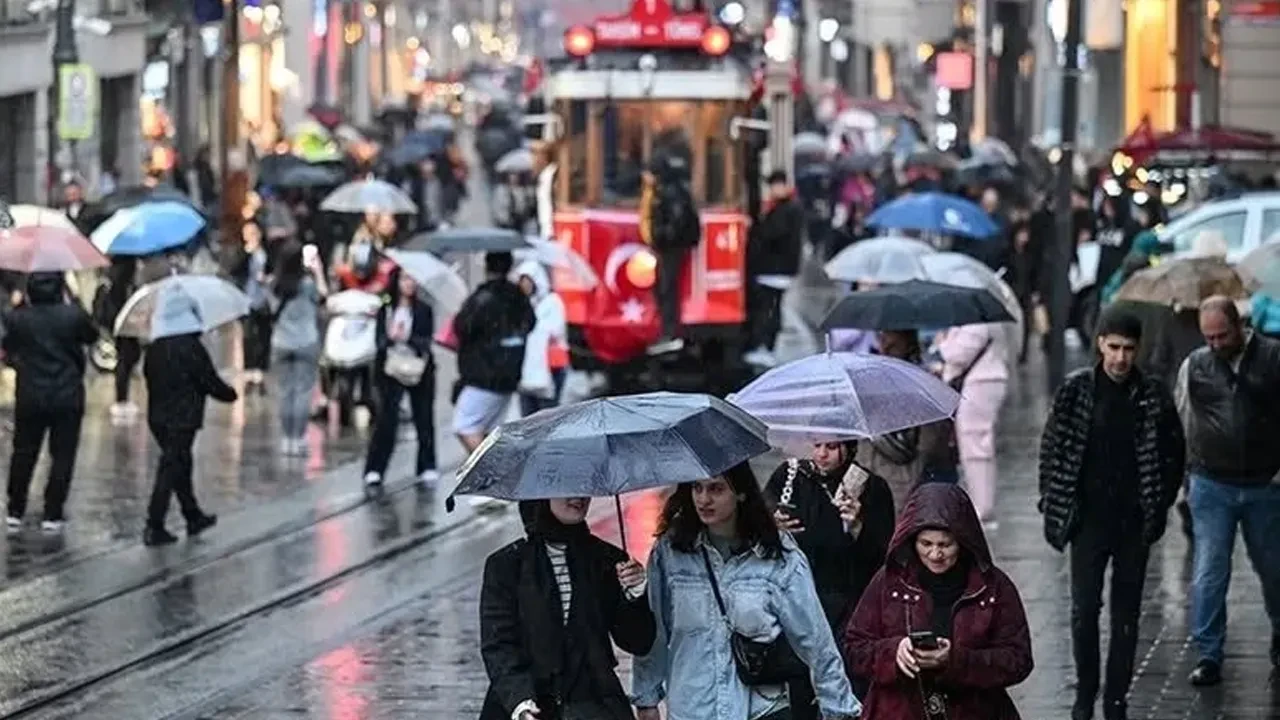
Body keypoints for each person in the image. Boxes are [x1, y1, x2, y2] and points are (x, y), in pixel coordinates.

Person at [1037, 309, 1185, 720]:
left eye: (1129, 349)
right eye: (1114, 347)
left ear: (1138, 350)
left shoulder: (1153, 394)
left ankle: (1116, 697)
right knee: (1084, 611)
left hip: (1133, 521)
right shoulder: (1076, 391)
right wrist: (1052, 498)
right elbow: (1052, 447)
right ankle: (1086, 692)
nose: (1121, 358)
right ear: (1100, 343)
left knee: (1127, 614)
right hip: (1088, 519)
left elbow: (1174, 453)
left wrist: (1159, 501)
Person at [633, 463, 861, 720]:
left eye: (716, 489)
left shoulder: (778, 556)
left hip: (761, 708)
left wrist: (839, 708)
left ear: (740, 493)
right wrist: (646, 698)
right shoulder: (670, 553)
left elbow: (815, 639)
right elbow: (655, 633)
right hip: (693, 707)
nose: (703, 499)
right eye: (696, 488)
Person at [842, 483, 1034, 720]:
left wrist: (956, 660)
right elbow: (854, 648)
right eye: (926, 544)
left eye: (945, 545)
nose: (935, 554)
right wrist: (894, 652)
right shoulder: (887, 582)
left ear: (962, 542)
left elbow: (1018, 659)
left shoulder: (993, 587)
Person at [1175, 296, 1280, 686]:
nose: (1215, 344)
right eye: (1209, 337)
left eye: (1222, 336)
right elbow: (1183, 418)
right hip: (1212, 482)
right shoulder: (1196, 366)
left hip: (1264, 482)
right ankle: (1208, 652)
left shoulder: (1273, 358)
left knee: (1273, 570)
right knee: (1209, 571)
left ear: (1239, 327)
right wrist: (1186, 477)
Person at [479, 499, 655, 720]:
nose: (579, 497)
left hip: (594, 707)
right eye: (565, 489)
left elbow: (638, 642)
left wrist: (635, 594)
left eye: (584, 487)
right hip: (529, 707)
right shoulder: (507, 565)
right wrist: (520, 703)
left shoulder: (606, 559)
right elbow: (498, 645)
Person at [766, 441, 896, 710]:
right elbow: (759, 535)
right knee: (799, 689)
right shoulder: (789, 478)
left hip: (848, 606)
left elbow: (884, 557)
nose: (822, 454)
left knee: (847, 690)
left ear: (848, 448)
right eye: (816, 445)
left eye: (832, 446)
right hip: (798, 602)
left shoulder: (872, 488)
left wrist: (859, 526)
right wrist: (770, 525)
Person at [3, 273, 97, 533]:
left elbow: (8, 345)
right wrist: (76, 301)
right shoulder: (72, 315)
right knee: (62, 456)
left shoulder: (18, 318)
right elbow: (92, 335)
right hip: (67, 396)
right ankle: (52, 513)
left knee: (24, 452)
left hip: (31, 395)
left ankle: (15, 509)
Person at [142, 297, 238, 546]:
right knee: (172, 465)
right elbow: (207, 379)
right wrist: (229, 394)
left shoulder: (155, 348)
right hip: (183, 418)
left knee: (179, 463)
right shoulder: (190, 346)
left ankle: (192, 514)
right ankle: (154, 523)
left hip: (158, 417)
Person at [856, 330, 960, 509]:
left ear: (907, 340)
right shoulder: (870, 378)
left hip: (912, 473)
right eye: (881, 335)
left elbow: (932, 443)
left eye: (889, 335)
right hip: (885, 469)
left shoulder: (925, 382)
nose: (884, 340)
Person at [452, 252, 536, 453]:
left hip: (482, 374)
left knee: (465, 426)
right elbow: (531, 323)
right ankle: (491, 475)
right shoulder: (518, 297)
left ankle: (491, 472)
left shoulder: (483, 298)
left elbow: (463, 327)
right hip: (509, 372)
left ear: (487, 267)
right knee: (488, 429)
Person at [362, 270, 438, 489]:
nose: (410, 284)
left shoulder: (424, 309)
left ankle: (426, 465)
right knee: (387, 419)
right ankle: (375, 468)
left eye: (413, 279)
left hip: (418, 369)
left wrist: (408, 338)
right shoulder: (386, 309)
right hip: (390, 368)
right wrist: (390, 337)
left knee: (423, 417)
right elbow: (379, 342)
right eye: (405, 279)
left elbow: (426, 341)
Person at [936, 322, 1010, 524]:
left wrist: (942, 343)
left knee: (975, 446)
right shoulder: (982, 320)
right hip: (982, 382)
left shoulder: (976, 322)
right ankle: (980, 504)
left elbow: (957, 354)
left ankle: (981, 507)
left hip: (980, 384)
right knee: (976, 446)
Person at [270, 240, 328, 456]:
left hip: (281, 342)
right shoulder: (308, 284)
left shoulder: (275, 286)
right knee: (303, 391)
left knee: (285, 392)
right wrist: (318, 271)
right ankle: (299, 437)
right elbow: (323, 298)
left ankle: (287, 438)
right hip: (306, 341)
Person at [744, 171, 806, 368]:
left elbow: (772, 234)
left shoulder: (785, 209)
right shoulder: (789, 207)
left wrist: (757, 228)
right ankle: (767, 347)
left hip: (774, 269)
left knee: (769, 308)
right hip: (778, 269)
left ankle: (766, 347)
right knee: (773, 307)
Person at [645, 153, 700, 354]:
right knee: (663, 287)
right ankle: (668, 331)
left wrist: (660, 236)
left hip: (670, 248)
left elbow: (674, 223)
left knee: (667, 288)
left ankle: (670, 333)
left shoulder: (669, 193)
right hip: (670, 247)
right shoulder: (671, 190)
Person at [513, 260, 568, 416]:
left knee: (548, 418)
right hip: (526, 375)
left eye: (527, 281)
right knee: (527, 420)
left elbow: (556, 330)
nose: (524, 286)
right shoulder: (523, 305)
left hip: (550, 370)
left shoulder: (552, 302)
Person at [238, 220, 272, 395]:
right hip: (248, 299)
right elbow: (235, 271)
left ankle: (260, 374)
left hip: (265, 299)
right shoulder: (243, 253)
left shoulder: (266, 253)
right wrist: (246, 254)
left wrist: (267, 278)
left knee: (263, 337)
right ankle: (249, 374)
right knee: (248, 337)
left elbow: (275, 271)